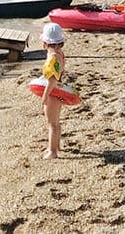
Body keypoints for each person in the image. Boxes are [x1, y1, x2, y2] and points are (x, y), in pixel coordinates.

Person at [38, 22, 69, 159]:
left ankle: (52, 151)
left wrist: (45, 95)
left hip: (53, 92)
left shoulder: (52, 58)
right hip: (59, 89)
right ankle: (56, 146)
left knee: (52, 123)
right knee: (56, 121)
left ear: (45, 42)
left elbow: (51, 80)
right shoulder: (59, 54)